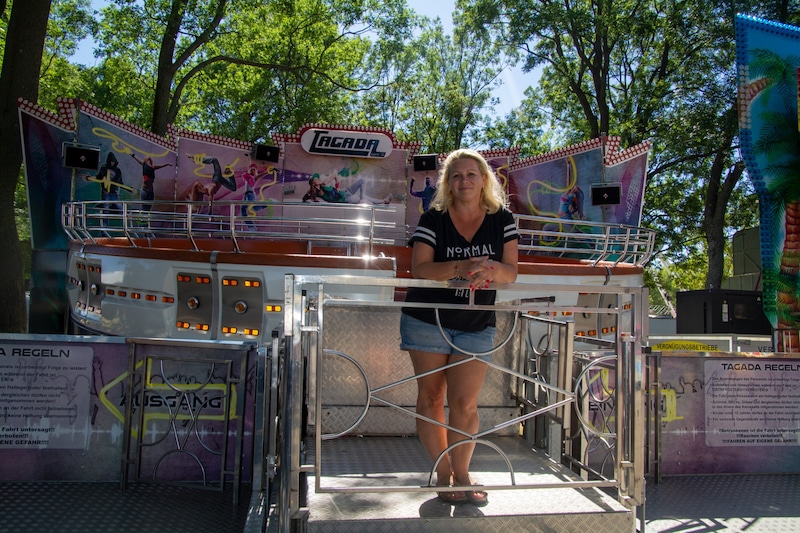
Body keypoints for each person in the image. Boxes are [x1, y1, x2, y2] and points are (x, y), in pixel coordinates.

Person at [399, 148, 520, 507]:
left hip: (476, 322)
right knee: (432, 399)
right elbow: (420, 269)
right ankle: (443, 473)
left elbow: (511, 273)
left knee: (465, 403)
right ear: (447, 183)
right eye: (456, 175)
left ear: (485, 179)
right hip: (427, 318)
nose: (463, 180)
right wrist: (461, 266)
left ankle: (463, 473)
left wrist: (491, 270)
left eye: (471, 174)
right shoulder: (433, 218)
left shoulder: (503, 219)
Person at [302, 173, 391, 204]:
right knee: (368, 202)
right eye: (315, 180)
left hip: (346, 191)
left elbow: (335, 175)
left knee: (362, 181)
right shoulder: (315, 193)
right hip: (346, 198)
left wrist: (337, 187)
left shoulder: (324, 184)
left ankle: (363, 199)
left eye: (317, 179)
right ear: (313, 184)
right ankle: (384, 201)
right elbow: (304, 198)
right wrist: (309, 192)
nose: (318, 180)